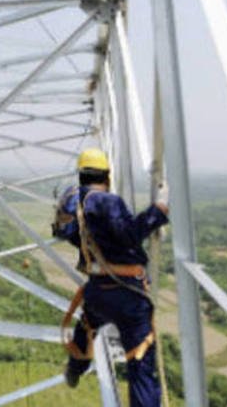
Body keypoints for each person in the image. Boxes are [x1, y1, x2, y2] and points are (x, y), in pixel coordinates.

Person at [52, 148, 170, 407]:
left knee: (88, 323)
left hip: (96, 291)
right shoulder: (107, 202)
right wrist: (159, 209)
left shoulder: (73, 203)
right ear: (106, 174)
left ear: (81, 175)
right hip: (126, 293)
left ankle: (75, 369)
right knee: (140, 362)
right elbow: (130, 234)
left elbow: (66, 233)